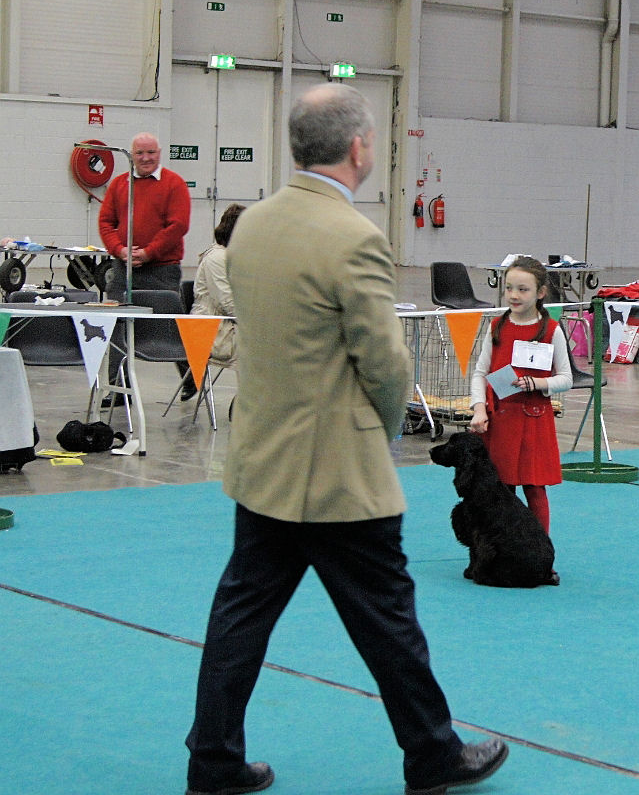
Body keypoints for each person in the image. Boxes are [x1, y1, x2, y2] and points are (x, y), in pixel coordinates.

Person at [184, 83, 508, 795]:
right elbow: (385, 365)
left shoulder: (253, 227)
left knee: (239, 620)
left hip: (262, 464)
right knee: (388, 621)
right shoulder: (355, 236)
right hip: (339, 476)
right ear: (359, 148)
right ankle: (430, 754)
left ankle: (211, 762)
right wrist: (381, 430)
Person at [470, 255, 572, 576]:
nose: (514, 295)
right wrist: (477, 408)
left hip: (534, 421)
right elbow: (480, 372)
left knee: (534, 489)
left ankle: (541, 560)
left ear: (541, 293)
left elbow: (566, 378)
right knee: (501, 491)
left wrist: (538, 382)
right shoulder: (496, 326)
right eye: (510, 288)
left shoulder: (552, 331)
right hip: (499, 421)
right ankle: (501, 554)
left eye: (523, 289)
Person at [98, 132, 192, 403]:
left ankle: (192, 376)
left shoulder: (174, 184)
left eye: (150, 152)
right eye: (139, 153)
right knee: (116, 326)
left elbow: (178, 225)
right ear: (132, 155)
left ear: (160, 153)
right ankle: (118, 388)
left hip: (162, 269)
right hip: (122, 268)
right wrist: (120, 250)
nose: (145, 158)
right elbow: (106, 223)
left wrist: (149, 253)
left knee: (171, 326)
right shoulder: (119, 185)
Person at [190, 202, 245, 365]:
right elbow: (228, 302)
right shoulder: (217, 259)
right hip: (212, 331)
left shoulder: (232, 257)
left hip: (226, 326)